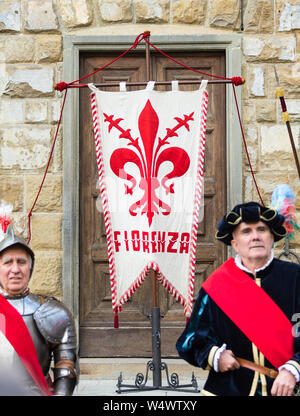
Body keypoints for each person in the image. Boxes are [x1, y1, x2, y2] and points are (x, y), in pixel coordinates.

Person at [176, 201, 300, 396]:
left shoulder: (295, 277)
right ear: (235, 243)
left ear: (272, 238)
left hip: (285, 389)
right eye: (246, 231)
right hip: (228, 389)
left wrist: (294, 369)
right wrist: (215, 356)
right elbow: (189, 341)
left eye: (262, 229)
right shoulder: (216, 285)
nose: (256, 237)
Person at [0, 228, 78, 396]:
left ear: (30, 267)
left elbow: (66, 368)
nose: (15, 270)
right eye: (8, 262)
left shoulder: (53, 312)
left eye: (21, 262)